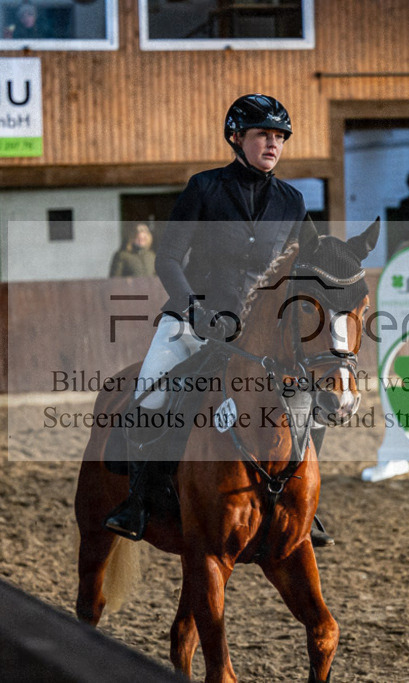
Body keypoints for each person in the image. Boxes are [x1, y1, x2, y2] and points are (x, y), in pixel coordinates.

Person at [104, 94, 334, 548]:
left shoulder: (292, 201)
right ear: (236, 138)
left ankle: (305, 506)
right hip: (192, 319)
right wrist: (195, 311)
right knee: (151, 394)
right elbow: (168, 259)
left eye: (279, 137)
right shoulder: (204, 189)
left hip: (259, 333)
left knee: (312, 402)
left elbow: (310, 263)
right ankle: (139, 501)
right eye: (263, 135)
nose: (273, 144)